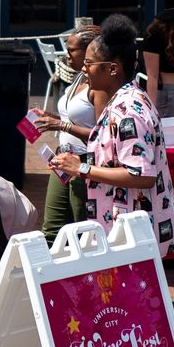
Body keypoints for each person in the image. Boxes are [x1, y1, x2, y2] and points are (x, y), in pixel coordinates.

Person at [48, 14, 174, 253]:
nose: (83, 68)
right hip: (125, 229)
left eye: (89, 63)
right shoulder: (123, 100)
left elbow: (142, 175)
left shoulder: (128, 111)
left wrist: (81, 168)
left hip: (133, 235)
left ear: (112, 69)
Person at [35, 24, 108, 241]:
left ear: (89, 50)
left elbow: (102, 136)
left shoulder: (99, 87)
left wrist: (61, 126)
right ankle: (54, 274)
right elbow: (74, 118)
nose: (66, 56)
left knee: (83, 231)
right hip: (62, 160)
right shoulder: (77, 78)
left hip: (84, 164)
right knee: (52, 228)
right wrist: (53, 117)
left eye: (71, 51)